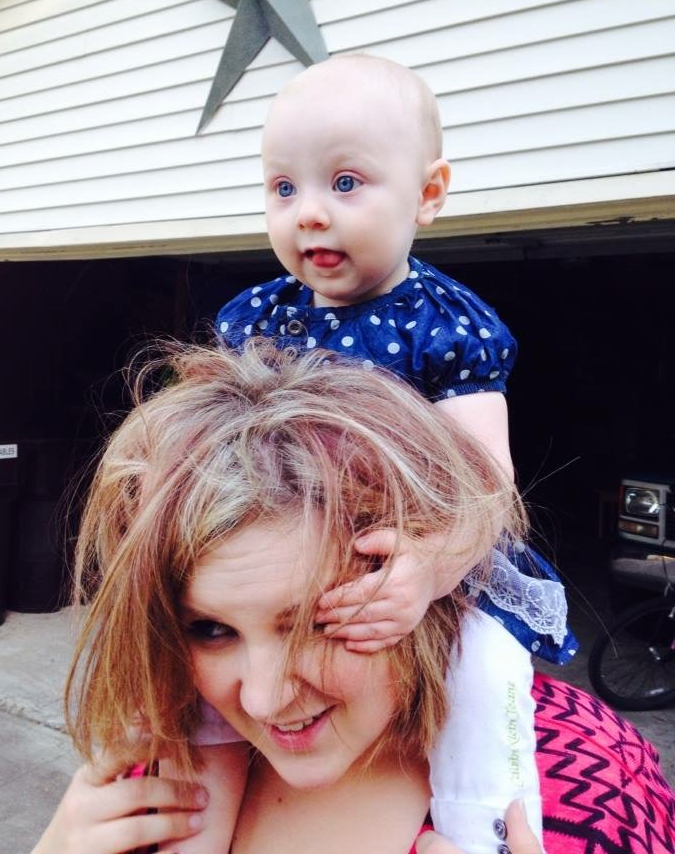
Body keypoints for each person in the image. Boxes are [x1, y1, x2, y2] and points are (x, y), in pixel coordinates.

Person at [31, 343, 675, 854]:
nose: (263, 700)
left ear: (433, 586)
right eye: (210, 629)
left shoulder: (591, 779)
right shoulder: (155, 768)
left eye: (318, 622)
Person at [208, 54, 575, 851]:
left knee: (485, 668)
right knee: (194, 656)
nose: (309, 214)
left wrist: (430, 568)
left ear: (428, 194)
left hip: (412, 549)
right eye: (283, 188)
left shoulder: (444, 327)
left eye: (345, 183)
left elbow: (490, 484)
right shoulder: (254, 319)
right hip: (281, 551)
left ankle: (483, 828)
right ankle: (192, 812)